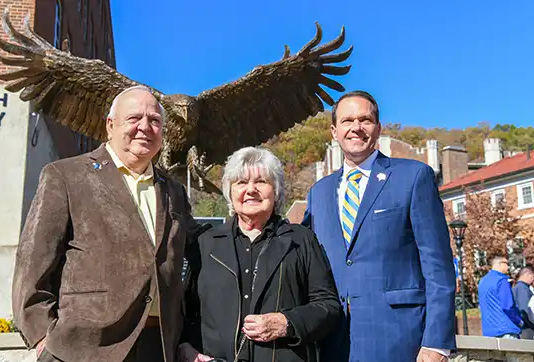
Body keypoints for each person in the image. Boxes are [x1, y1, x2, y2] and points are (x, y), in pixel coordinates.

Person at [12, 86, 202, 362]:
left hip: (158, 346)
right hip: (83, 347)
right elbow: (33, 259)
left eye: (155, 121)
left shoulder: (173, 191)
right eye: (134, 118)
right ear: (110, 126)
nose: (145, 127)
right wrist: (43, 336)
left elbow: (197, 248)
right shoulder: (66, 176)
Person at [302, 90, 456, 361]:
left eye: (365, 120)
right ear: (333, 131)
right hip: (333, 343)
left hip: (400, 339)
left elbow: (438, 265)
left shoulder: (413, 176)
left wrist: (437, 342)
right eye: (347, 121)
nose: (356, 128)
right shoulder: (318, 193)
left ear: (378, 128)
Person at [178, 146, 341, 362]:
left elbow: (328, 307)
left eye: (261, 182)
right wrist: (186, 347)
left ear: (276, 190)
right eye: (241, 183)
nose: (251, 190)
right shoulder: (205, 244)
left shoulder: (301, 240)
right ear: (230, 191)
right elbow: (185, 311)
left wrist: (287, 323)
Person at [478, 255, 524, 339]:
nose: (508, 266)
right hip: (506, 328)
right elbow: (507, 306)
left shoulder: (482, 281)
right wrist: (519, 321)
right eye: (506, 263)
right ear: (499, 264)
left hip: (489, 330)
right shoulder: (502, 280)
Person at [512, 265, 534, 339]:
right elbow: (525, 310)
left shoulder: (517, 287)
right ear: (528, 275)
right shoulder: (523, 288)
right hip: (527, 328)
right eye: (533, 277)